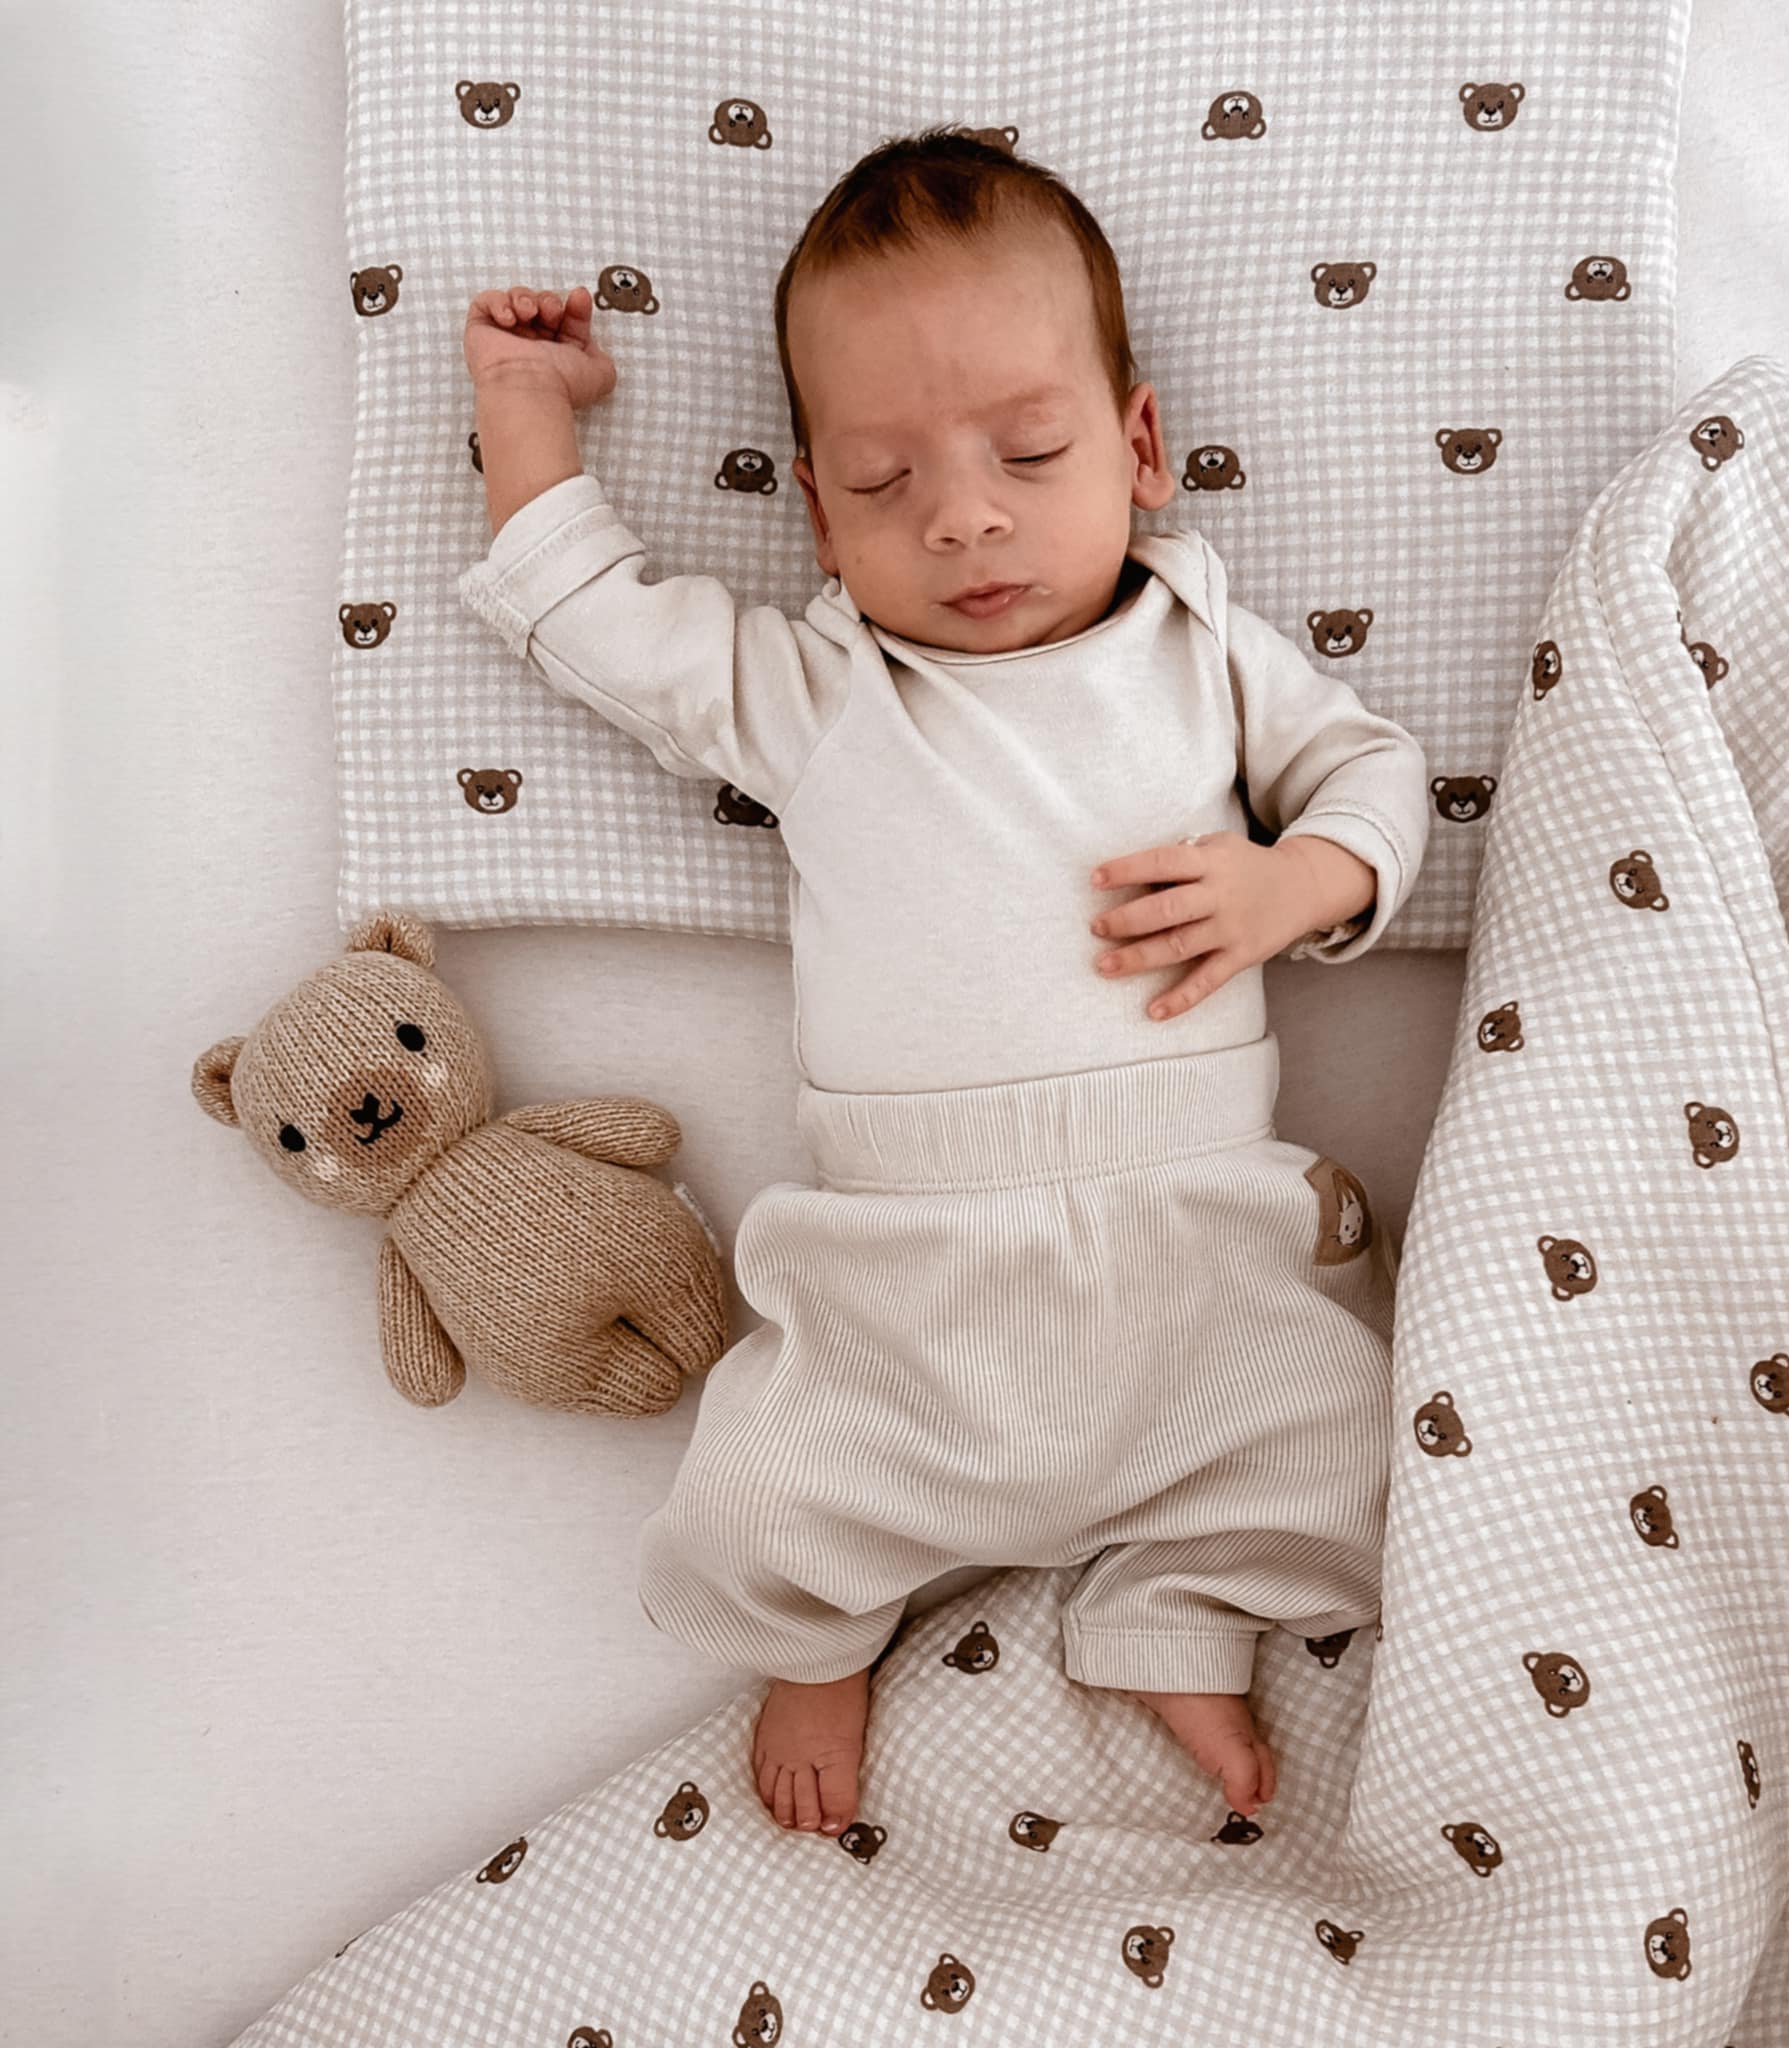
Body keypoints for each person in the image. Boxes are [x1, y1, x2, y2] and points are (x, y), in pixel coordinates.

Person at [456, 126, 1429, 1840]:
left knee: (1353, 1455)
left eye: (1029, 453)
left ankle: (1176, 1608)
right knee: (763, 1493)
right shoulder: (819, 693)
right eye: (883, 481)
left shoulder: (1202, 645)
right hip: (910, 1259)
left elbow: (1375, 774)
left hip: (1198, 1223)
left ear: (1139, 448)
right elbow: (597, 620)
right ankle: (817, 1631)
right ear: (819, 516)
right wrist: (529, 413)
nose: (965, 516)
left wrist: (1299, 881)